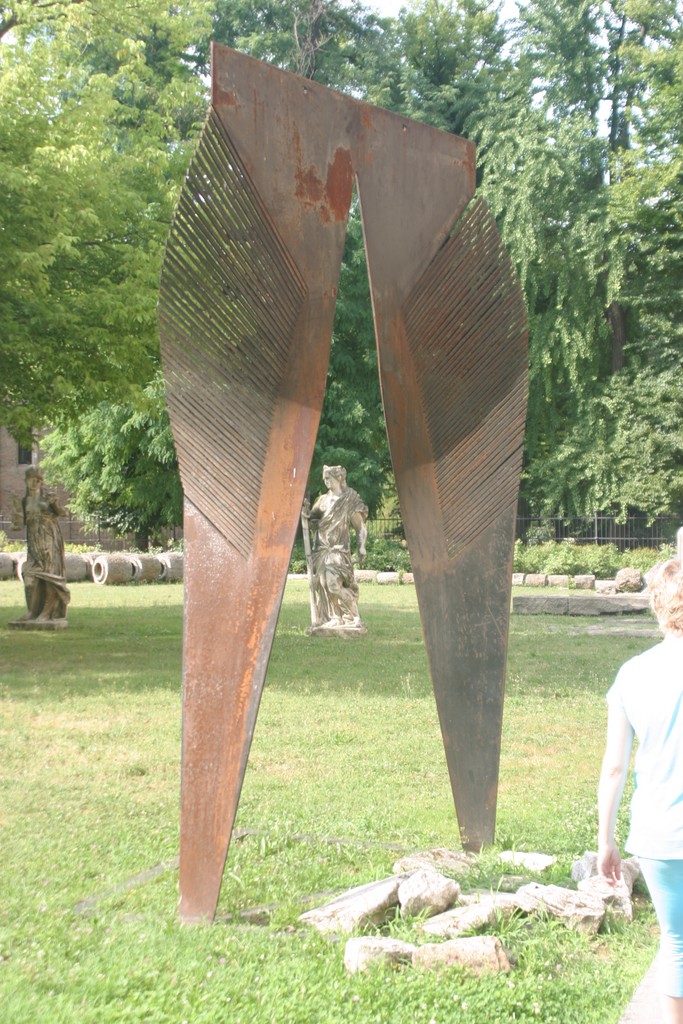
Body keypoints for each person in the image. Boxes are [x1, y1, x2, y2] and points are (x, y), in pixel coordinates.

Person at [598, 557, 683, 1024]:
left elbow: (614, 768)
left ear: (656, 604)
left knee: (675, 942)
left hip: (658, 835)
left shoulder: (632, 674)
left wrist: (605, 841)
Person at [303, 465, 368, 628]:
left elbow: (360, 527)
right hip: (322, 550)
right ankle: (336, 617)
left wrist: (362, 546)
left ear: (338, 478)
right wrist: (305, 516)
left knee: (333, 584)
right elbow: (311, 521)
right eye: (324, 479)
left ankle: (355, 617)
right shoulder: (323, 500)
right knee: (325, 585)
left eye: (328, 478)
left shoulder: (348, 499)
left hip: (338, 550)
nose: (326, 481)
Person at [15, 467, 70, 622]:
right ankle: (32, 612)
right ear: (26, 481)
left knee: (49, 578)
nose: (35, 483)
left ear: (41, 482)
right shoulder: (24, 501)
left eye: (38, 480)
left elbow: (63, 513)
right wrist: (16, 516)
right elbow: (19, 524)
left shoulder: (47, 498)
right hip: (33, 544)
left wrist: (55, 504)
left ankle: (46, 613)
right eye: (32, 479)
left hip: (49, 541)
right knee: (30, 580)